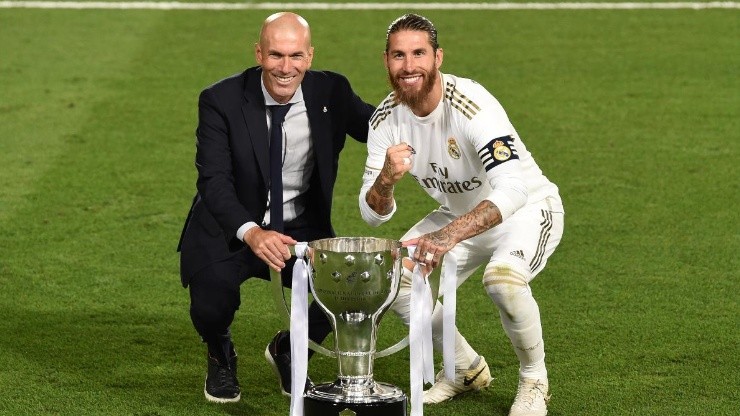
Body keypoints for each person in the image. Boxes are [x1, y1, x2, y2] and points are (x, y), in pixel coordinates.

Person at [359, 14, 564, 416]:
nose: (409, 66)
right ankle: (462, 368)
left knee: (502, 282)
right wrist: (385, 180)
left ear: (438, 57)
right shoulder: (385, 120)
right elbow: (373, 217)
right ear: (386, 61)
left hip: (525, 210)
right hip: (458, 217)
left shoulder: (471, 105)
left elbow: (514, 188)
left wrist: (448, 235)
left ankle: (534, 379)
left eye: (419, 53)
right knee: (391, 276)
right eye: (398, 56)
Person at [177, 12, 375, 403]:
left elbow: (379, 126)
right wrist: (251, 231)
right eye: (276, 55)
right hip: (230, 225)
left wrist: (427, 117)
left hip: (299, 226)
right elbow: (213, 181)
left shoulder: (330, 92)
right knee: (211, 304)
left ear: (310, 55)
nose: (286, 68)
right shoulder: (220, 100)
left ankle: (288, 348)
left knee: (348, 291)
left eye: (296, 56)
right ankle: (220, 353)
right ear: (258, 53)